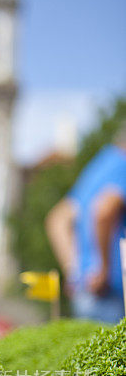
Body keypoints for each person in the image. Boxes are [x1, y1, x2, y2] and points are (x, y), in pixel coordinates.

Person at [45, 126, 126, 323]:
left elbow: (57, 219)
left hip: (86, 289)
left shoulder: (99, 165)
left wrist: (74, 271)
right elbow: (104, 212)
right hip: (110, 291)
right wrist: (103, 269)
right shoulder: (123, 166)